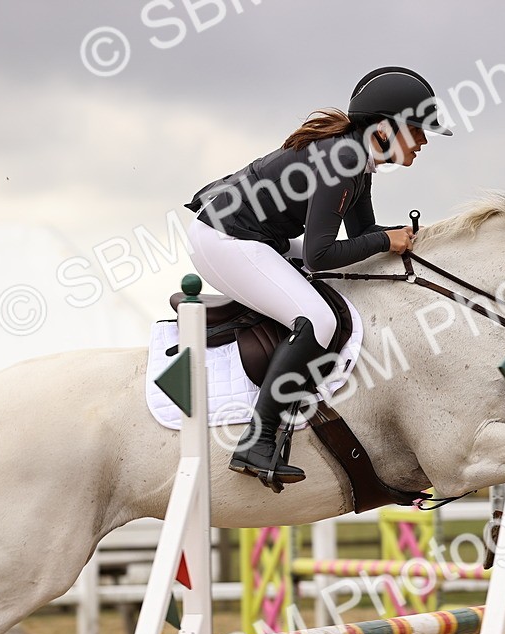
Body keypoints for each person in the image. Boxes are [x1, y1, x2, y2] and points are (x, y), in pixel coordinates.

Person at [184, 66, 452, 487]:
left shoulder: (356, 158)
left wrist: (415, 239)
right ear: (384, 129)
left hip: (254, 235)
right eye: (417, 130)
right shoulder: (343, 160)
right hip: (224, 239)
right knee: (318, 320)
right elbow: (321, 255)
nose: (423, 142)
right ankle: (257, 441)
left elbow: (364, 233)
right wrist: (387, 241)